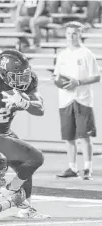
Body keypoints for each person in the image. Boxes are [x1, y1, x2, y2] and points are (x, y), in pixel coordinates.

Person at [0, 49, 50, 219]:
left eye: (25, 74)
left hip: (4, 131)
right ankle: (11, 189)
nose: (23, 79)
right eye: (17, 75)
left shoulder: (28, 83)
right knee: (36, 158)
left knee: (24, 168)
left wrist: (24, 102)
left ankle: (26, 209)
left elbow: (40, 109)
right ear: (4, 74)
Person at [54, 22, 101, 180]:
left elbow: (96, 76)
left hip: (82, 100)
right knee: (68, 137)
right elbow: (57, 76)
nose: (71, 37)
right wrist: (58, 81)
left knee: (84, 136)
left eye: (74, 33)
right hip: (65, 99)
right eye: (68, 33)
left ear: (80, 34)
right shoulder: (62, 55)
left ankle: (87, 168)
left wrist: (78, 82)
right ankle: (72, 168)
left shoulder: (87, 54)